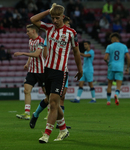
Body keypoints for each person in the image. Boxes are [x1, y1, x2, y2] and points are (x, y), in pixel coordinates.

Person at [30, 3, 83, 143]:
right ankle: (64, 130)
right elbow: (33, 20)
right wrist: (48, 10)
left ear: (63, 17)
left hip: (60, 72)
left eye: (57, 18)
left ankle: (46, 134)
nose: (54, 21)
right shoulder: (49, 28)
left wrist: (80, 69)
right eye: (52, 17)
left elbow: (76, 52)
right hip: (47, 71)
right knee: (54, 103)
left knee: (53, 103)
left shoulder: (71, 33)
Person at [30, 16, 72, 130]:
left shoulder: (68, 35)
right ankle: (36, 114)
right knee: (50, 99)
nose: (68, 27)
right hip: (50, 70)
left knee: (61, 98)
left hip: (63, 71)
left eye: (69, 25)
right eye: (67, 24)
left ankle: (60, 125)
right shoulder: (51, 35)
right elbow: (44, 54)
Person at [14, 24, 47, 120]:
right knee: (26, 90)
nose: (27, 33)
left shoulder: (41, 41)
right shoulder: (30, 41)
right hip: (32, 70)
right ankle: (27, 113)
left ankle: (50, 113)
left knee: (47, 93)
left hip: (41, 71)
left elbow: (36, 54)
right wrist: (27, 63)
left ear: (33, 31)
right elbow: (31, 53)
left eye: (28, 31)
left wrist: (22, 53)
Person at [104, 32, 130, 105]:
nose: (111, 40)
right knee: (118, 85)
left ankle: (108, 101)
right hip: (119, 67)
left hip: (111, 66)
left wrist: (108, 63)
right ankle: (116, 94)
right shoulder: (124, 46)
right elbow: (128, 57)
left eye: (111, 38)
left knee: (109, 84)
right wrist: (127, 68)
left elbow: (105, 58)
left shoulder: (109, 46)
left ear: (115, 38)